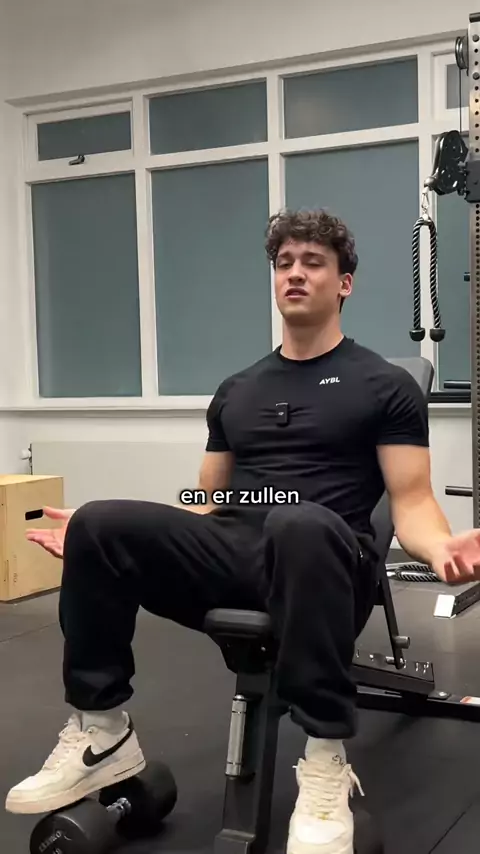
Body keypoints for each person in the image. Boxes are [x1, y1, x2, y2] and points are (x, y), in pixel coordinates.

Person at [6, 209, 480, 854]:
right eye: (284, 263)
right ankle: (103, 733)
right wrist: (102, 543)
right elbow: (209, 502)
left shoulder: (385, 386)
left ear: (344, 283)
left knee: (296, 521)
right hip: (239, 556)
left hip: (325, 564)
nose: (295, 273)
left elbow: (413, 501)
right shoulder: (237, 390)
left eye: (313, 262)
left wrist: (440, 546)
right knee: (101, 519)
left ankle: (325, 757)